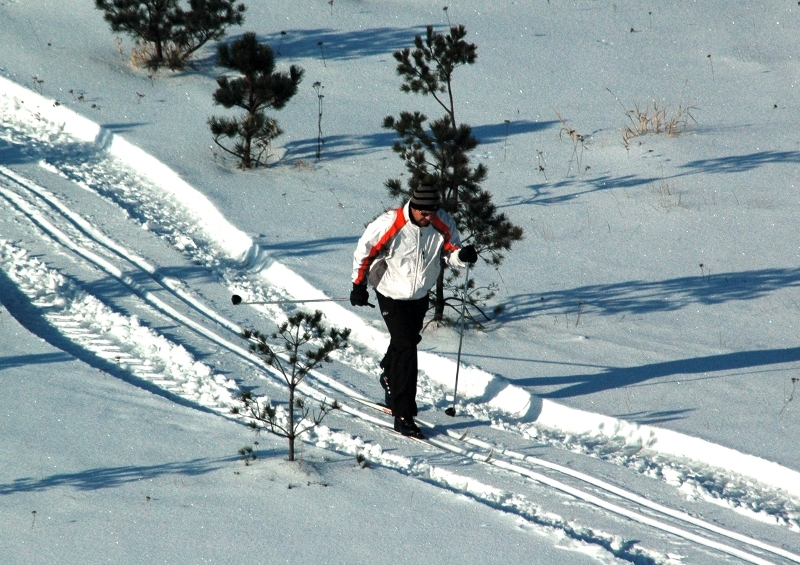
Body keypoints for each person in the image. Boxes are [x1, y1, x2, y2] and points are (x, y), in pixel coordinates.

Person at [349, 184, 477, 438]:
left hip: (419, 294)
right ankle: (403, 414)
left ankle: (389, 374)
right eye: (424, 213)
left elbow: (450, 253)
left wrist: (463, 256)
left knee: (404, 340)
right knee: (407, 347)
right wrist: (358, 285)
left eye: (432, 212)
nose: (428, 218)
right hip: (390, 291)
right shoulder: (390, 222)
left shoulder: (442, 223)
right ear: (413, 206)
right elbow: (364, 252)